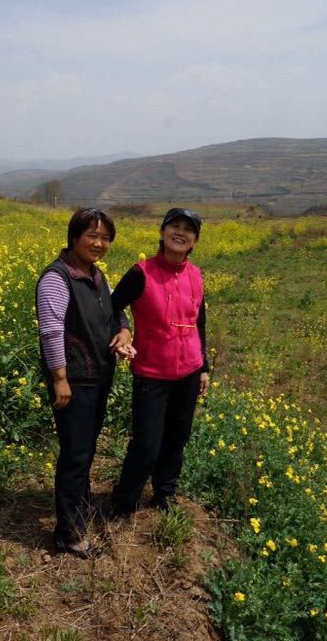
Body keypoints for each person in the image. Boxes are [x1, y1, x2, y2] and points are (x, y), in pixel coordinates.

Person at [35, 207, 133, 559]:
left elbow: (114, 311)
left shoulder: (96, 276)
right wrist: (59, 378)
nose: (99, 243)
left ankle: (77, 509)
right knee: (76, 455)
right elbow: (51, 330)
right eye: (92, 235)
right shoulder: (56, 279)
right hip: (74, 381)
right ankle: (70, 535)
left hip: (97, 377)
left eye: (105, 237)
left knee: (85, 449)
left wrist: (123, 331)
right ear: (73, 237)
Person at [111, 207, 209, 516]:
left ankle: (165, 493)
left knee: (177, 439)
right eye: (174, 226)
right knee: (146, 445)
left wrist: (204, 366)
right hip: (152, 374)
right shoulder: (142, 272)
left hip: (189, 371)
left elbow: (199, 321)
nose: (181, 233)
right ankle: (125, 501)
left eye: (188, 230)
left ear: (194, 241)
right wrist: (124, 330)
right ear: (162, 233)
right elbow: (112, 306)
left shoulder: (195, 274)